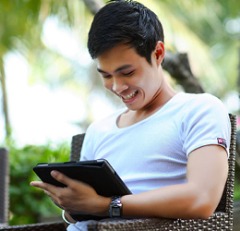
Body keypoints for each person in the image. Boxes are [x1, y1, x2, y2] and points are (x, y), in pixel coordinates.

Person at [30, 0, 231, 230]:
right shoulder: (99, 129)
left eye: (127, 72)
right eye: (106, 75)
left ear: (158, 53)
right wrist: (72, 204)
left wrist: (107, 206)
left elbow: (202, 199)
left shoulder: (199, 110)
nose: (117, 86)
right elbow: (82, 212)